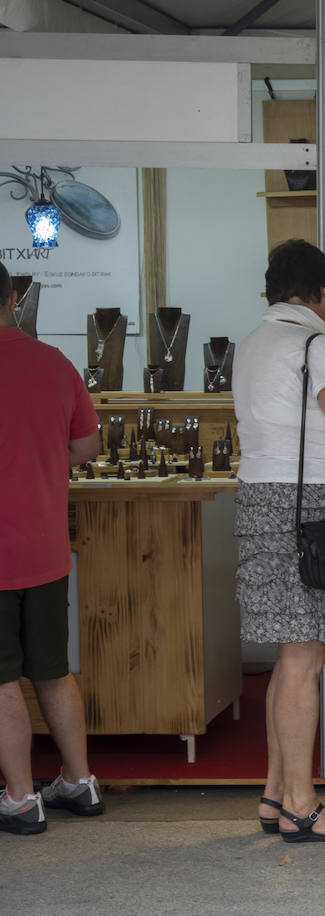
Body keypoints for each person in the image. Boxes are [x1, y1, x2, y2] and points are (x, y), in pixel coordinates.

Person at [235, 240, 325, 843]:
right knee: (305, 658)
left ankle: (275, 794)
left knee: (289, 658)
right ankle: (302, 804)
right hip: (313, 509)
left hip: (260, 503)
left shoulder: (250, 345)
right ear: (320, 294)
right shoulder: (316, 346)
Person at [0, 263, 103, 836]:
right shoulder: (53, 362)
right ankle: (79, 782)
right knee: (51, 669)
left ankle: (19, 798)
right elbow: (85, 446)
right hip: (44, 546)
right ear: (13, 298)